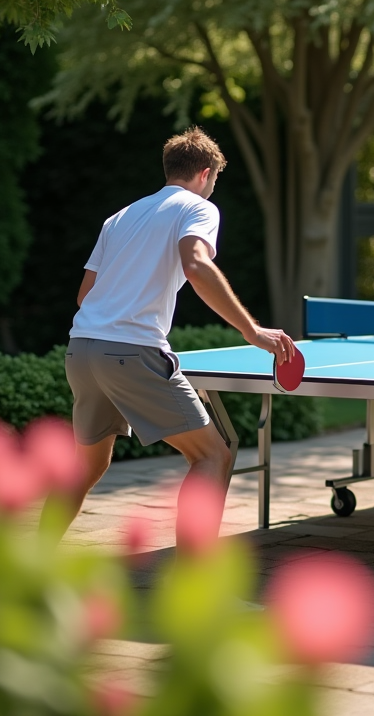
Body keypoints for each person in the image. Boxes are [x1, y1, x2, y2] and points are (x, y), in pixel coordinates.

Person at [40, 126, 296, 548]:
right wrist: (251, 330)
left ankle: (31, 568)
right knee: (212, 455)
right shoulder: (197, 208)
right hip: (132, 352)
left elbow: (86, 295)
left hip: (82, 351)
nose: (212, 189)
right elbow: (196, 264)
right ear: (206, 172)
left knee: (85, 468)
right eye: (214, 181)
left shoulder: (119, 217)